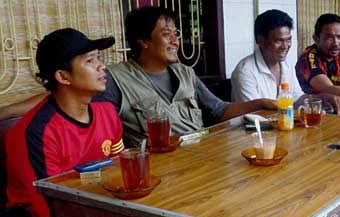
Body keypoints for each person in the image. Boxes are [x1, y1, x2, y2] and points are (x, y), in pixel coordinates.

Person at [0, 7, 276, 148]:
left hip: (205, 159)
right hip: (161, 171)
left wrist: (260, 103)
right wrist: (8, 110)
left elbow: (219, 109)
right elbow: (61, 97)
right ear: (143, 41)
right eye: (166, 33)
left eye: (176, 33)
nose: (175, 41)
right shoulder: (115, 79)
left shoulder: (185, 72)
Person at [5, 28, 124, 217]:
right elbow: (50, 204)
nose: (102, 66)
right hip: (40, 216)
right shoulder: (37, 132)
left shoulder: (107, 112)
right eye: (89, 61)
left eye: (98, 58)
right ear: (63, 76)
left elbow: (119, 167)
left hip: (95, 201)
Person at [231, 9, 340, 112]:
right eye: (279, 41)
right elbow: (254, 115)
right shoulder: (245, 72)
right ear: (261, 41)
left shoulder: (285, 65)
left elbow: (297, 98)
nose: (285, 46)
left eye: (288, 40)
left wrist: (323, 98)